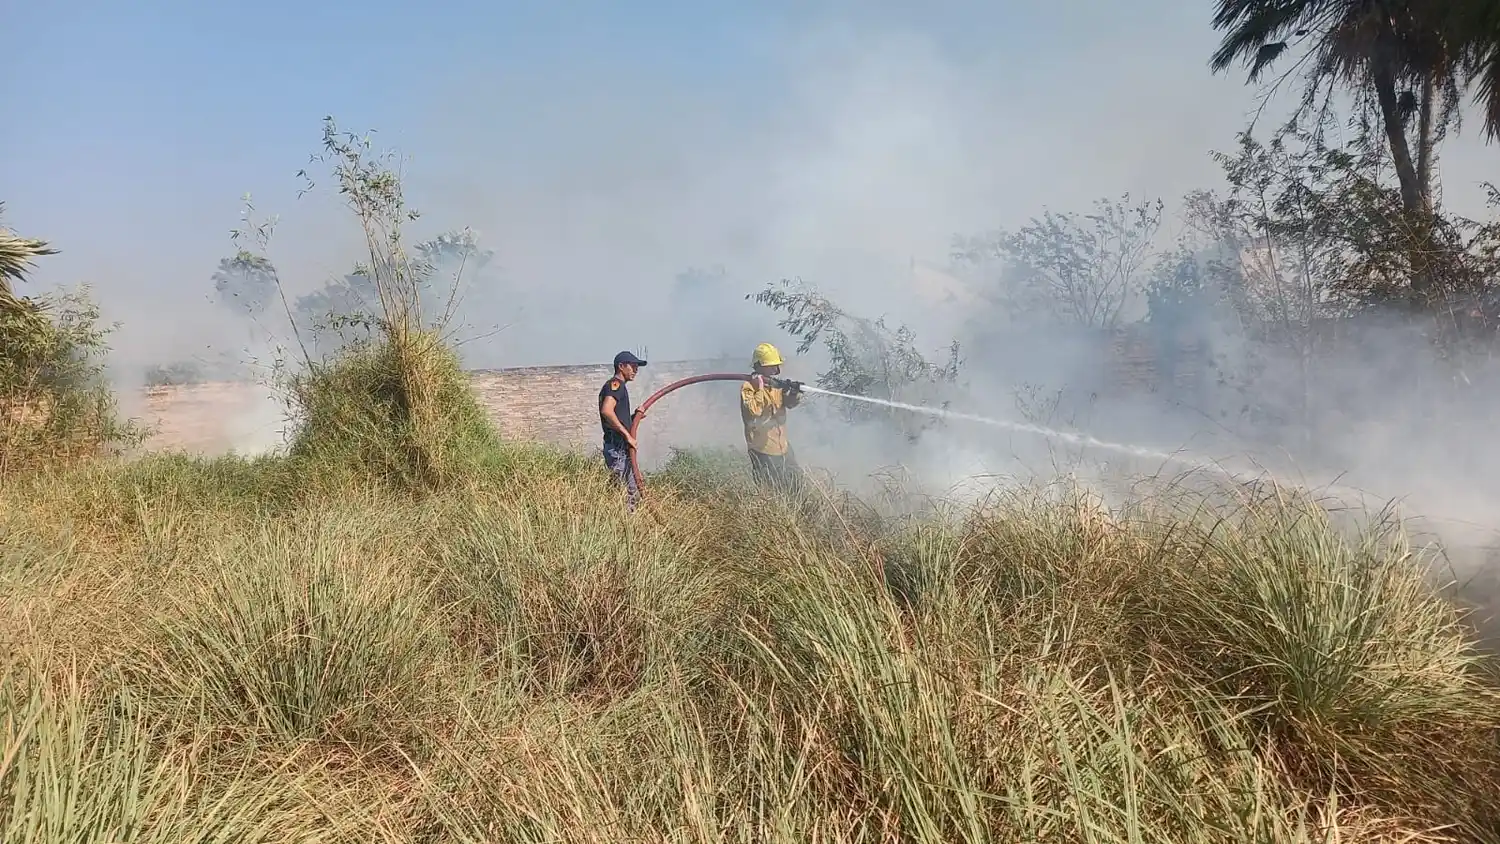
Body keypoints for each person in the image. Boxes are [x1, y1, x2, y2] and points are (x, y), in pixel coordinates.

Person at [740, 342, 804, 494]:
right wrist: (760, 388)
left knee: (797, 483)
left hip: (782, 446)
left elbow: (789, 405)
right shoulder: (749, 387)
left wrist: (793, 393)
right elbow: (754, 411)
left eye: (777, 365)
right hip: (763, 449)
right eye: (772, 366)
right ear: (760, 366)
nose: (776, 369)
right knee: (773, 490)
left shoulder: (776, 386)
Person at [599, 350, 648, 509]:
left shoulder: (618, 387)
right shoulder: (616, 385)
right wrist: (628, 436)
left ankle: (628, 523)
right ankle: (618, 523)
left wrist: (635, 416)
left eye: (636, 367)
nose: (635, 370)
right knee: (621, 491)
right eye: (632, 366)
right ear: (621, 366)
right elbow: (607, 411)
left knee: (630, 490)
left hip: (620, 448)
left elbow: (616, 417)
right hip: (617, 448)